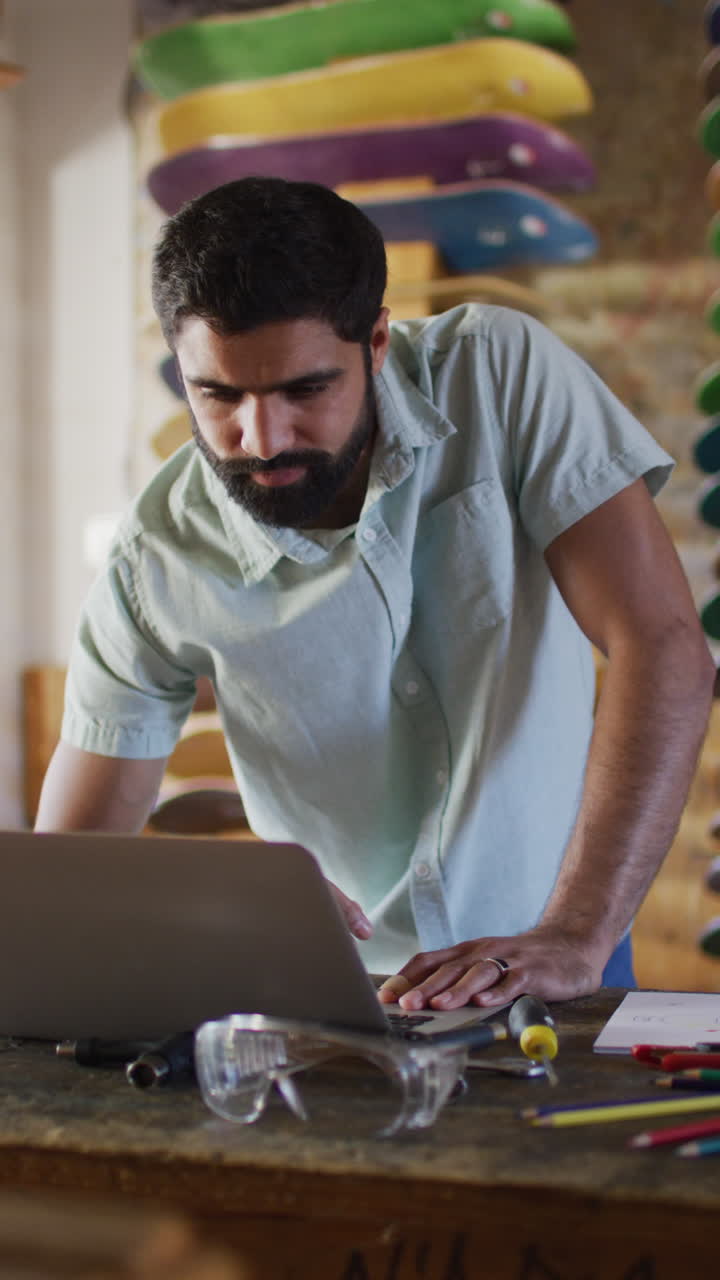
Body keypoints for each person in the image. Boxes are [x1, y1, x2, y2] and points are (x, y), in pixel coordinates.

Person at [36, 177, 714, 1013]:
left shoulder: (499, 373)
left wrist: (579, 933)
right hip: (337, 991)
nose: (262, 439)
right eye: (219, 394)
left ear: (378, 343)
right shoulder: (154, 558)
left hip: (560, 950)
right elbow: (67, 873)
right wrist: (213, 903)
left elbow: (663, 643)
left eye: (304, 390)